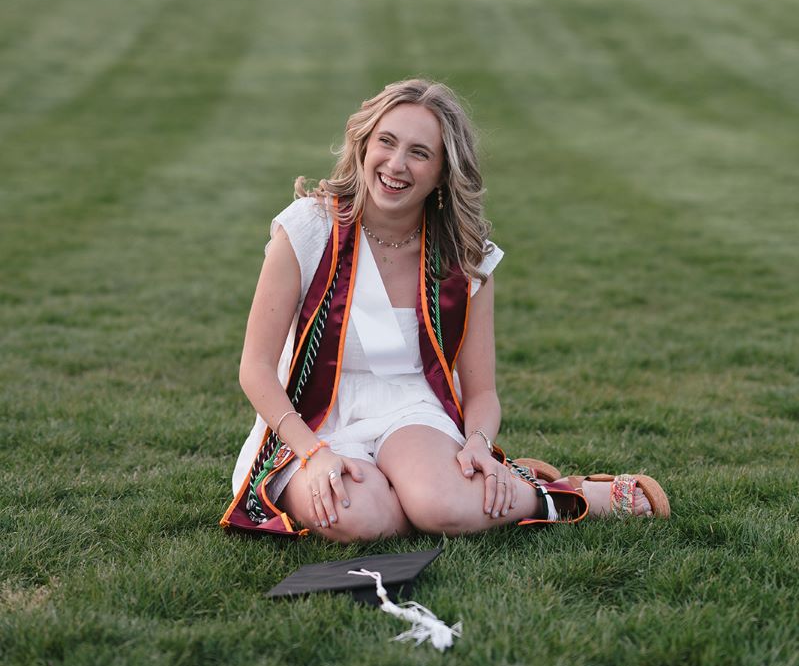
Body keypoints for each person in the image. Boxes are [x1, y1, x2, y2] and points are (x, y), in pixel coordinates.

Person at [221, 79, 669, 542]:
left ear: (442, 172)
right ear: (363, 145)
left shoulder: (465, 257)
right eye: (386, 142)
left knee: (443, 507)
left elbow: (481, 392)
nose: (396, 165)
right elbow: (255, 369)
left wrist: (477, 444)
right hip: (309, 421)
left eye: (419, 153)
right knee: (365, 518)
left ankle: (564, 495)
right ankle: (429, 492)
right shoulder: (307, 231)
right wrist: (313, 454)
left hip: (411, 408)